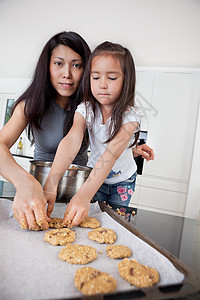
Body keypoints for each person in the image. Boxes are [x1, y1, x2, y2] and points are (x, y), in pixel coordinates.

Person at [0, 32, 154, 230]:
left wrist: (129, 150)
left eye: (77, 65)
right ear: (46, 66)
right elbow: (72, 140)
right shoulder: (39, 106)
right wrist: (28, 182)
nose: (67, 74)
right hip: (44, 189)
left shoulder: (98, 106)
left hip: (85, 184)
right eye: (58, 63)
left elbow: (109, 150)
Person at [44, 41, 146, 227]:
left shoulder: (131, 116)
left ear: (127, 80)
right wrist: (51, 181)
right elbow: (72, 140)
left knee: (115, 224)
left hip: (122, 181)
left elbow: (112, 152)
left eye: (112, 78)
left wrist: (83, 194)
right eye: (96, 77)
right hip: (93, 176)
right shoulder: (86, 110)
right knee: (88, 220)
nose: (102, 85)